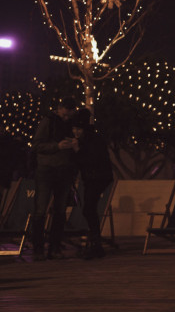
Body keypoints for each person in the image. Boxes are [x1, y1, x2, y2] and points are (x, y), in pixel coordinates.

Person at [30, 96, 78, 260]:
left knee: (60, 210)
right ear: (59, 108)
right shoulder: (48, 121)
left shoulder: (71, 124)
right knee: (41, 209)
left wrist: (74, 145)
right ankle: (38, 248)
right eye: (64, 114)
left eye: (68, 115)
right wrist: (56, 146)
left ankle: (54, 247)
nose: (66, 118)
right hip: (47, 169)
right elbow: (36, 145)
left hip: (64, 170)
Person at [70, 108, 114, 259]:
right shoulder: (88, 139)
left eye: (78, 129)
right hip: (92, 178)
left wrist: (77, 151)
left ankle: (96, 243)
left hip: (97, 177)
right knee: (89, 208)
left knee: (89, 208)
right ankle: (95, 242)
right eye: (74, 128)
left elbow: (89, 161)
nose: (76, 132)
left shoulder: (92, 141)